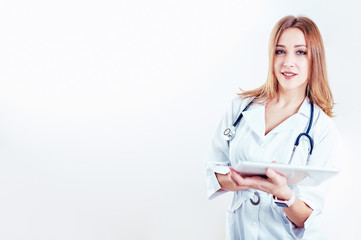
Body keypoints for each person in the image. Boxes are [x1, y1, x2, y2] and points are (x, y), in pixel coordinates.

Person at [205, 15, 338, 240]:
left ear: (314, 58)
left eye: (300, 52)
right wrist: (240, 181)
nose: (288, 62)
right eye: (280, 51)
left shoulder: (321, 128)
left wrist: (282, 193)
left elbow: (308, 217)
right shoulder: (240, 108)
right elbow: (213, 172)